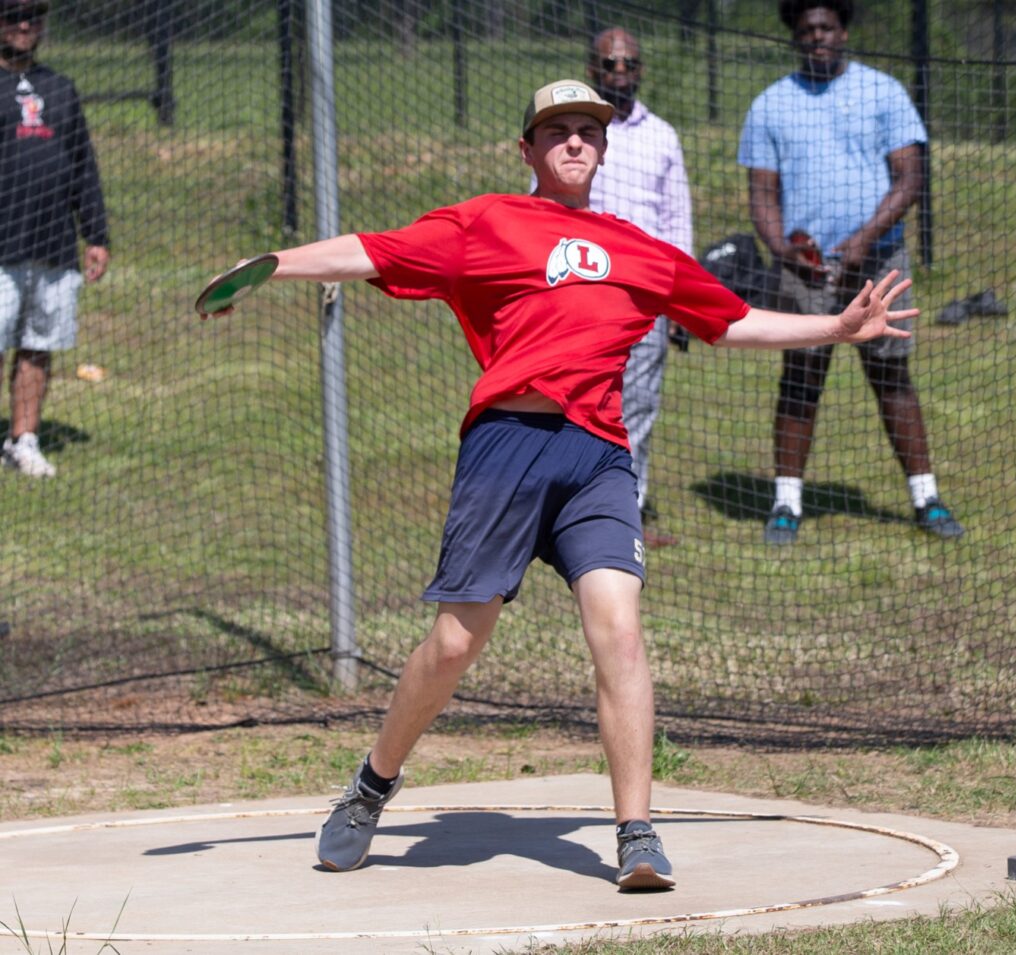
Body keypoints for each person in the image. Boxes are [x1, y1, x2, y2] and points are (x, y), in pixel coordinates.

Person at [202, 79, 916, 890]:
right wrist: (270, 267)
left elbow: (728, 320)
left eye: (588, 130)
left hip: (598, 457)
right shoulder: (486, 223)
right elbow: (374, 250)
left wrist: (835, 326)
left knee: (620, 631)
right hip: (506, 447)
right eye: (557, 131)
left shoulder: (639, 248)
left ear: (604, 149)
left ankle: (636, 833)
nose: (575, 141)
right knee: (455, 643)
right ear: (528, 149)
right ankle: (371, 785)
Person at [738, 0, 964, 544]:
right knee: (801, 379)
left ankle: (926, 499)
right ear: (795, 36)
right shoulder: (770, 103)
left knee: (892, 378)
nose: (817, 36)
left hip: (878, 265)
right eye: (807, 29)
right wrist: (781, 248)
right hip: (806, 272)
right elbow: (762, 194)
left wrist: (864, 240)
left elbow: (909, 178)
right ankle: (786, 504)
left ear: (844, 32)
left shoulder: (882, 91)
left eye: (827, 27)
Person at [585, 26, 693, 549]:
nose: (621, 72)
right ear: (593, 70)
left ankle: (625, 515)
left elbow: (677, 222)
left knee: (639, 406)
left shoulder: (662, 136)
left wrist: (683, 302)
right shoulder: (575, 132)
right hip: (582, 293)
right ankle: (575, 507)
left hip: (646, 296)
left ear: (641, 69)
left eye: (629, 63)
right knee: (580, 402)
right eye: (610, 64)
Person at [0, 0, 109, 478]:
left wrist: (96, 234)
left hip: (52, 243)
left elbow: (83, 165)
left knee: (37, 344)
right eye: (12, 14)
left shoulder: (61, 88)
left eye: (34, 15)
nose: (25, 24)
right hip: (3, 244)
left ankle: (22, 441)